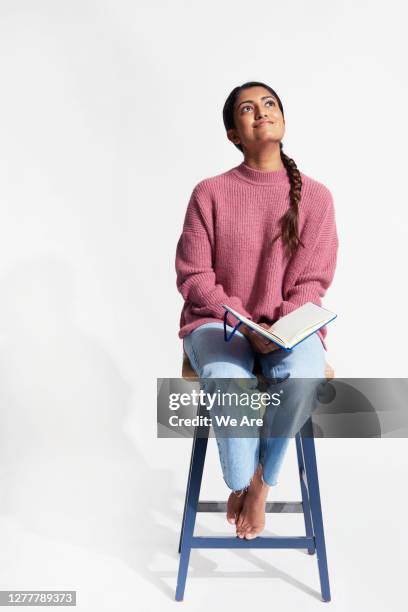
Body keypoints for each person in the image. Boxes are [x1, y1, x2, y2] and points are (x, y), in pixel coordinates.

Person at [175, 81, 339, 540]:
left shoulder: (316, 198)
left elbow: (311, 282)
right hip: (215, 322)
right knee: (229, 377)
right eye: (248, 109)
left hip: (288, 325)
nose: (261, 112)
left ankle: (260, 486)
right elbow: (194, 276)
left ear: (283, 121)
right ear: (234, 133)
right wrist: (243, 325)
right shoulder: (209, 192)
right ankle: (239, 481)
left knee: (304, 372)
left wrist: (278, 326)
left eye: (269, 104)